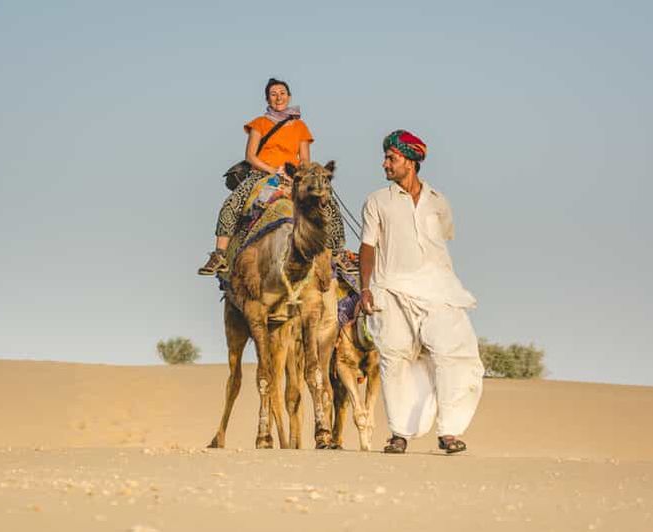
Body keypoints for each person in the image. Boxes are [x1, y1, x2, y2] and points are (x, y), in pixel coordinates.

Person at [359, 130, 484, 454]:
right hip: (391, 289)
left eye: (392, 158)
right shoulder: (377, 201)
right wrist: (365, 288)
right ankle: (399, 433)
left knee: (455, 356)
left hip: (439, 289)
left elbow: (443, 240)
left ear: (410, 163)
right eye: (386, 157)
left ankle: (449, 432)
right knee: (395, 358)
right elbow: (367, 247)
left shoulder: (439, 201)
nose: (385, 163)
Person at [198, 78, 345, 275]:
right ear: (267, 98)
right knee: (232, 204)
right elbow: (250, 156)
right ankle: (219, 254)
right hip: (261, 173)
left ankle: (338, 254)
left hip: (293, 177)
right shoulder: (260, 123)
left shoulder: (300, 126)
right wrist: (271, 170)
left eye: (282, 93)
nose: (278, 97)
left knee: (328, 204)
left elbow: (305, 160)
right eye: (274, 94)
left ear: (289, 96)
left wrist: (298, 175)